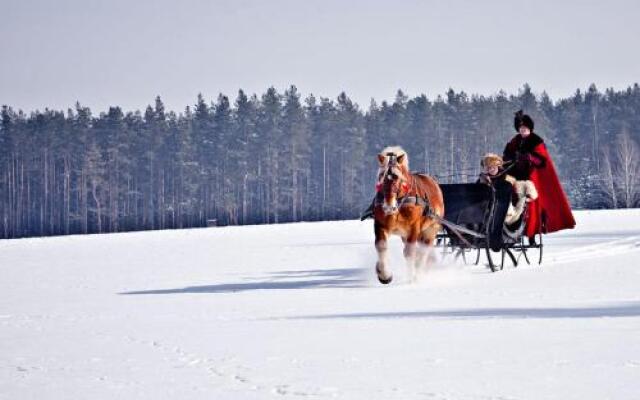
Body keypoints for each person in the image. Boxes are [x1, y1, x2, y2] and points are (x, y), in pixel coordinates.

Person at [503, 110, 575, 240]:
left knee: (529, 203)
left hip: (531, 176)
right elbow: (506, 156)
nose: (522, 130)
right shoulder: (514, 141)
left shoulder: (536, 141)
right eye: (520, 128)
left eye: (524, 128)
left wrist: (529, 157)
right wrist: (512, 159)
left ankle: (531, 232)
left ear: (529, 128)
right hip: (515, 174)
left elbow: (542, 160)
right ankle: (511, 226)